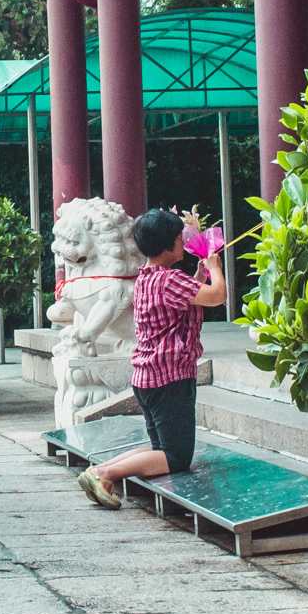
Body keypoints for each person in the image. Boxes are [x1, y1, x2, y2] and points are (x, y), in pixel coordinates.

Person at [77, 208, 225, 509]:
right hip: (170, 380)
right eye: (179, 239)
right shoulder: (171, 281)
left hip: (148, 379)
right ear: (170, 246)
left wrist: (199, 275)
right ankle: (106, 472)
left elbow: (186, 300)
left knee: (160, 449)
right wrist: (216, 267)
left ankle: (99, 473)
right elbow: (216, 296)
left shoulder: (146, 278)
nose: (183, 244)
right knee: (175, 457)